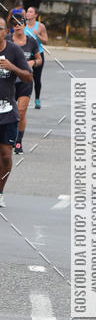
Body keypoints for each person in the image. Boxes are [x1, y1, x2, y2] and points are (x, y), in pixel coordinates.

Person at [0, 16, 33, 205]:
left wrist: (12, 67)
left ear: (5, 31)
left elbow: (28, 78)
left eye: (0, 28)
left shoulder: (14, 50)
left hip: (6, 112)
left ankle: (1, 192)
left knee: (5, 155)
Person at [11, 14, 42, 154]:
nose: (17, 26)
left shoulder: (31, 42)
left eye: (20, 23)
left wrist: (32, 62)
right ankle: (7, 138)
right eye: (14, 23)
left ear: (24, 24)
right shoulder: (6, 41)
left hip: (25, 81)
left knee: (21, 113)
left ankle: (18, 142)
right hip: (7, 82)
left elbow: (39, 59)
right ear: (12, 27)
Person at [25, 7, 48, 109]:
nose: (28, 13)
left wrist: (38, 35)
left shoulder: (40, 26)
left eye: (30, 12)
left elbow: (46, 41)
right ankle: (23, 97)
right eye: (27, 11)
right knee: (24, 77)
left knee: (37, 78)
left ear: (35, 15)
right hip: (26, 55)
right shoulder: (22, 25)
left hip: (38, 54)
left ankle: (37, 99)